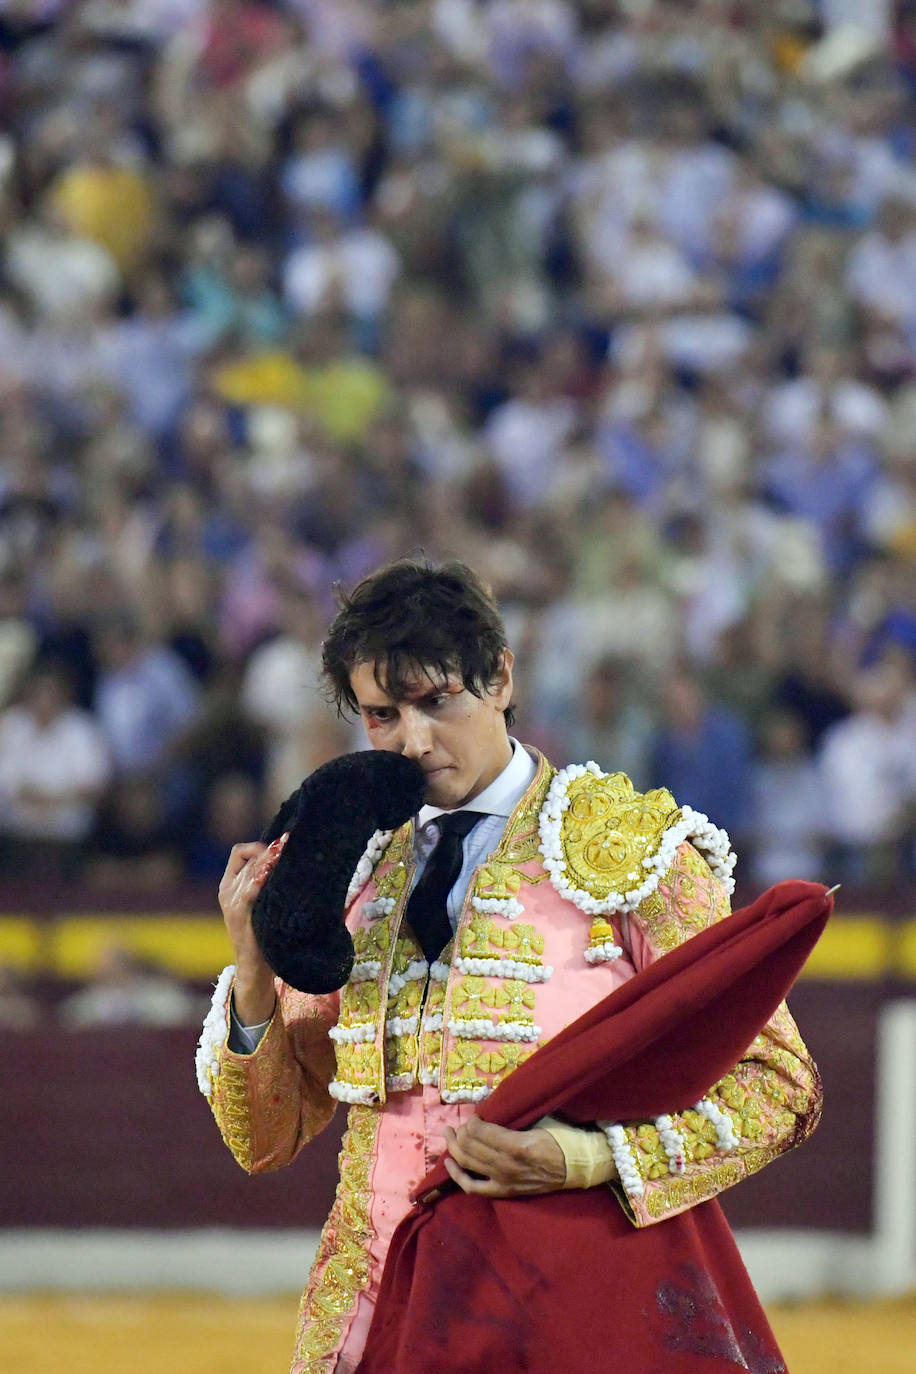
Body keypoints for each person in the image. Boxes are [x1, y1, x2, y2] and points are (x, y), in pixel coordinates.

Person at [196, 558, 822, 1374]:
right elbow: (265, 1137)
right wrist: (251, 971)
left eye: (436, 701)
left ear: (498, 676)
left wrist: (590, 1160)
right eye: (383, 715)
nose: (414, 741)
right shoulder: (349, 867)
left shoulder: (624, 847)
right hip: (377, 1302)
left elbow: (781, 1084)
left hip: (568, 1294)